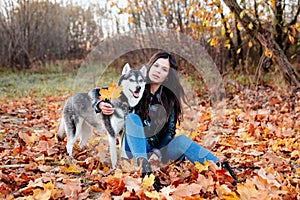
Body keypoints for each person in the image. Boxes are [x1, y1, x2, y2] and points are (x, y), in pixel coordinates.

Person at [94, 51, 238, 187]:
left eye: (164, 69)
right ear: (150, 67)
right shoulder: (135, 85)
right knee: (132, 118)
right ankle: (145, 170)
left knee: (182, 140)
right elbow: (98, 92)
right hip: (135, 148)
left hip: (159, 151)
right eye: (156, 66)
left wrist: (157, 153)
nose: (158, 71)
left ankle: (220, 167)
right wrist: (99, 103)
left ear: (168, 75)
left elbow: (170, 132)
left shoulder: (170, 99)